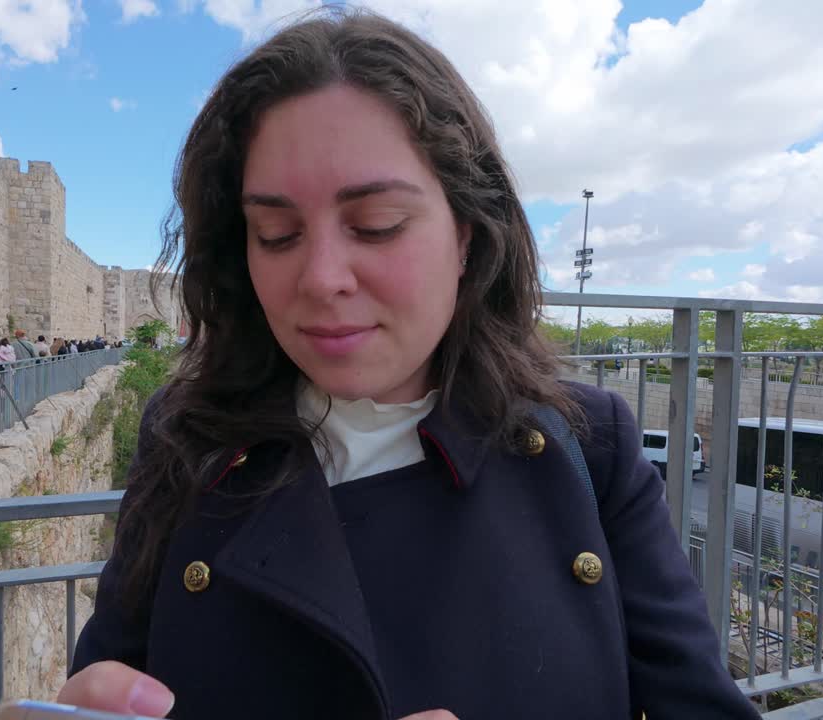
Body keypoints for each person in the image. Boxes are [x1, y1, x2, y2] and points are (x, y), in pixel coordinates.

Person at [61, 11, 760, 720]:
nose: (322, 277)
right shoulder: (187, 441)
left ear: (466, 234)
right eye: (276, 235)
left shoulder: (589, 446)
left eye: (376, 225)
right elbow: (107, 679)